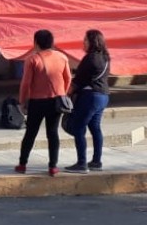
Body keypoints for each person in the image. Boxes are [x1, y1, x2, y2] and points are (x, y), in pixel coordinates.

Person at [15, 29, 72, 177]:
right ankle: (53, 166)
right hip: (56, 101)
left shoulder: (32, 59)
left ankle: (22, 164)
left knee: (30, 133)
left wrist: (22, 101)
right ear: (52, 42)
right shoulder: (62, 57)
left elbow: (26, 83)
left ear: (36, 42)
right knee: (53, 133)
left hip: (37, 102)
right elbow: (68, 79)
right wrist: (63, 93)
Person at [64, 29, 110, 174]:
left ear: (92, 42)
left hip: (90, 97)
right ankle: (97, 161)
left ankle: (81, 163)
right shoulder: (105, 58)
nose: (83, 42)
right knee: (95, 128)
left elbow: (78, 81)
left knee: (78, 127)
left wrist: (65, 94)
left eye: (85, 40)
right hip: (103, 96)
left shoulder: (89, 59)